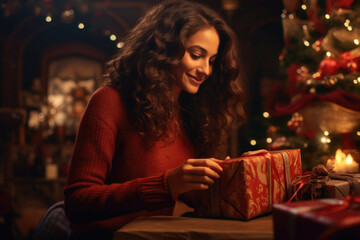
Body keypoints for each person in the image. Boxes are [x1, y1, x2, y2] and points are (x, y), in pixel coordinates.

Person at [63, 0, 245, 238]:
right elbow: (77, 202)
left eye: (211, 60)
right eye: (196, 55)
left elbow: (188, 193)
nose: (206, 70)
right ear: (165, 48)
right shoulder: (109, 101)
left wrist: (235, 173)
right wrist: (165, 185)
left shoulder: (192, 113)